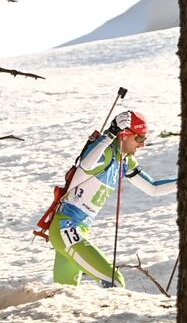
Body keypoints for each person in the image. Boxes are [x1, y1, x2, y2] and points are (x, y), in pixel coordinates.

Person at [49, 110, 177, 287]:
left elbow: (153, 188)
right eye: (139, 138)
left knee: (64, 296)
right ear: (124, 135)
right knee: (115, 281)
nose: (142, 145)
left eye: (144, 139)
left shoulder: (124, 161)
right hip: (67, 228)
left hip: (77, 229)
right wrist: (110, 133)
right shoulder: (105, 153)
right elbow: (85, 165)